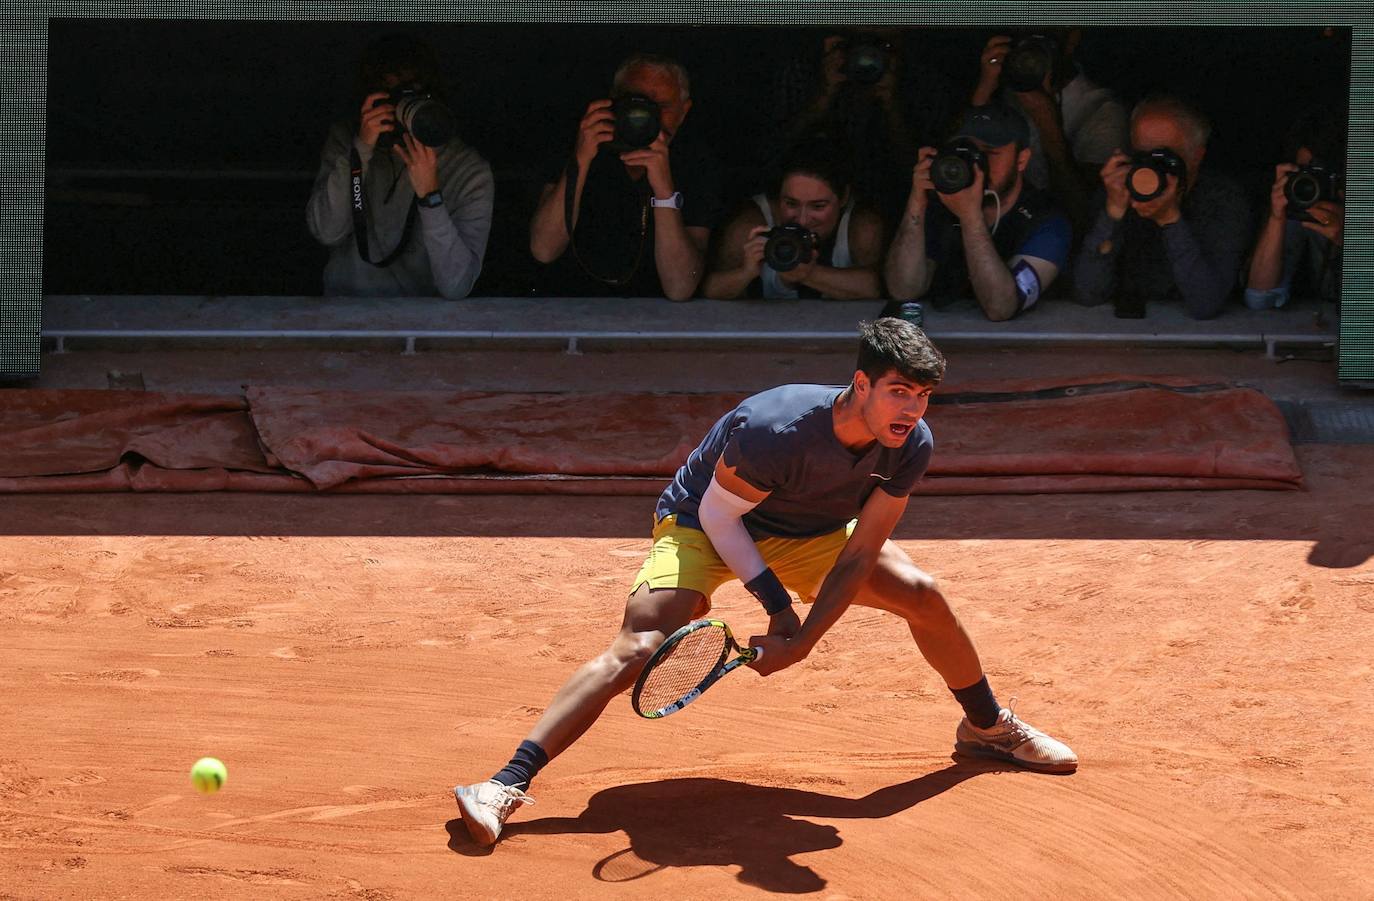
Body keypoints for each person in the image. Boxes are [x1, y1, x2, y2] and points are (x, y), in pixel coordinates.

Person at [453, 317, 1078, 848]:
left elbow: (862, 549)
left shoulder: (910, 443)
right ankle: (505, 782)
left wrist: (801, 640)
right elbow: (721, 517)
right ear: (861, 384)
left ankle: (987, 727)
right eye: (899, 392)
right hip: (705, 523)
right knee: (640, 647)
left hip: (812, 535)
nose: (912, 410)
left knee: (922, 594)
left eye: (923, 396)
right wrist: (778, 608)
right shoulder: (774, 428)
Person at [306, 34, 494, 300]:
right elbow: (327, 231)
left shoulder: (467, 169)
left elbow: (457, 284)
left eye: (412, 93)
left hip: (425, 327)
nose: (399, 106)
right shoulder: (346, 141)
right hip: (345, 314)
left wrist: (431, 196)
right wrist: (360, 152)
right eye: (389, 94)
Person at [528, 53, 723, 300]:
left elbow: (681, 287)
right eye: (636, 103)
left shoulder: (695, 161)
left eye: (661, 107)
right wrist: (581, 160)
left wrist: (664, 191)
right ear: (614, 101)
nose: (645, 116)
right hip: (571, 305)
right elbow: (544, 249)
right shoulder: (581, 139)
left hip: (656, 316)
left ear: (683, 112)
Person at [884, 101, 1072, 321]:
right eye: (967, 152)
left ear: (1021, 160)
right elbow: (903, 289)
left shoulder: (1046, 221)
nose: (977, 163)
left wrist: (969, 217)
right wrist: (917, 200)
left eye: (989, 153)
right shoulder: (941, 204)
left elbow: (1001, 307)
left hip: (1021, 350)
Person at [1072, 94, 1250, 320]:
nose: (1151, 167)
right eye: (1142, 155)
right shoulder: (1118, 189)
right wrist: (1112, 213)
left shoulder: (1223, 200)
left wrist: (1170, 220)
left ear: (1197, 155)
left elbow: (1206, 303)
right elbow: (1089, 292)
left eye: (1163, 156)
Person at [766, 28, 955, 229]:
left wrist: (891, 103)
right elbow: (773, 151)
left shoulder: (917, 77)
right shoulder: (806, 69)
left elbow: (921, 165)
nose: (866, 56)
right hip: (812, 198)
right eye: (853, 45)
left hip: (893, 198)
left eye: (881, 46)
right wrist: (825, 95)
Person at [970, 29, 1128, 232]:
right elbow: (959, 160)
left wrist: (1047, 120)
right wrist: (985, 88)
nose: (1031, 56)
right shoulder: (1004, 89)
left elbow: (1085, 218)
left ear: (1072, 38)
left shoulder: (1102, 109)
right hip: (995, 224)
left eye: (1047, 35)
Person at [702, 137, 884, 300]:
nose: (803, 220)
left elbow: (875, 288)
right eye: (791, 204)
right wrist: (745, 273)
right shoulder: (749, 226)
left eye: (818, 206)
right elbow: (711, 291)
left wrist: (808, 274)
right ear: (777, 198)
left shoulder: (861, 227)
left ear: (844, 198)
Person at [1245, 109, 1345, 311]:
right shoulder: (1296, 212)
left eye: (1323, 175)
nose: (1313, 185)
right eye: (1306, 173)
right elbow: (1260, 299)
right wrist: (1277, 216)